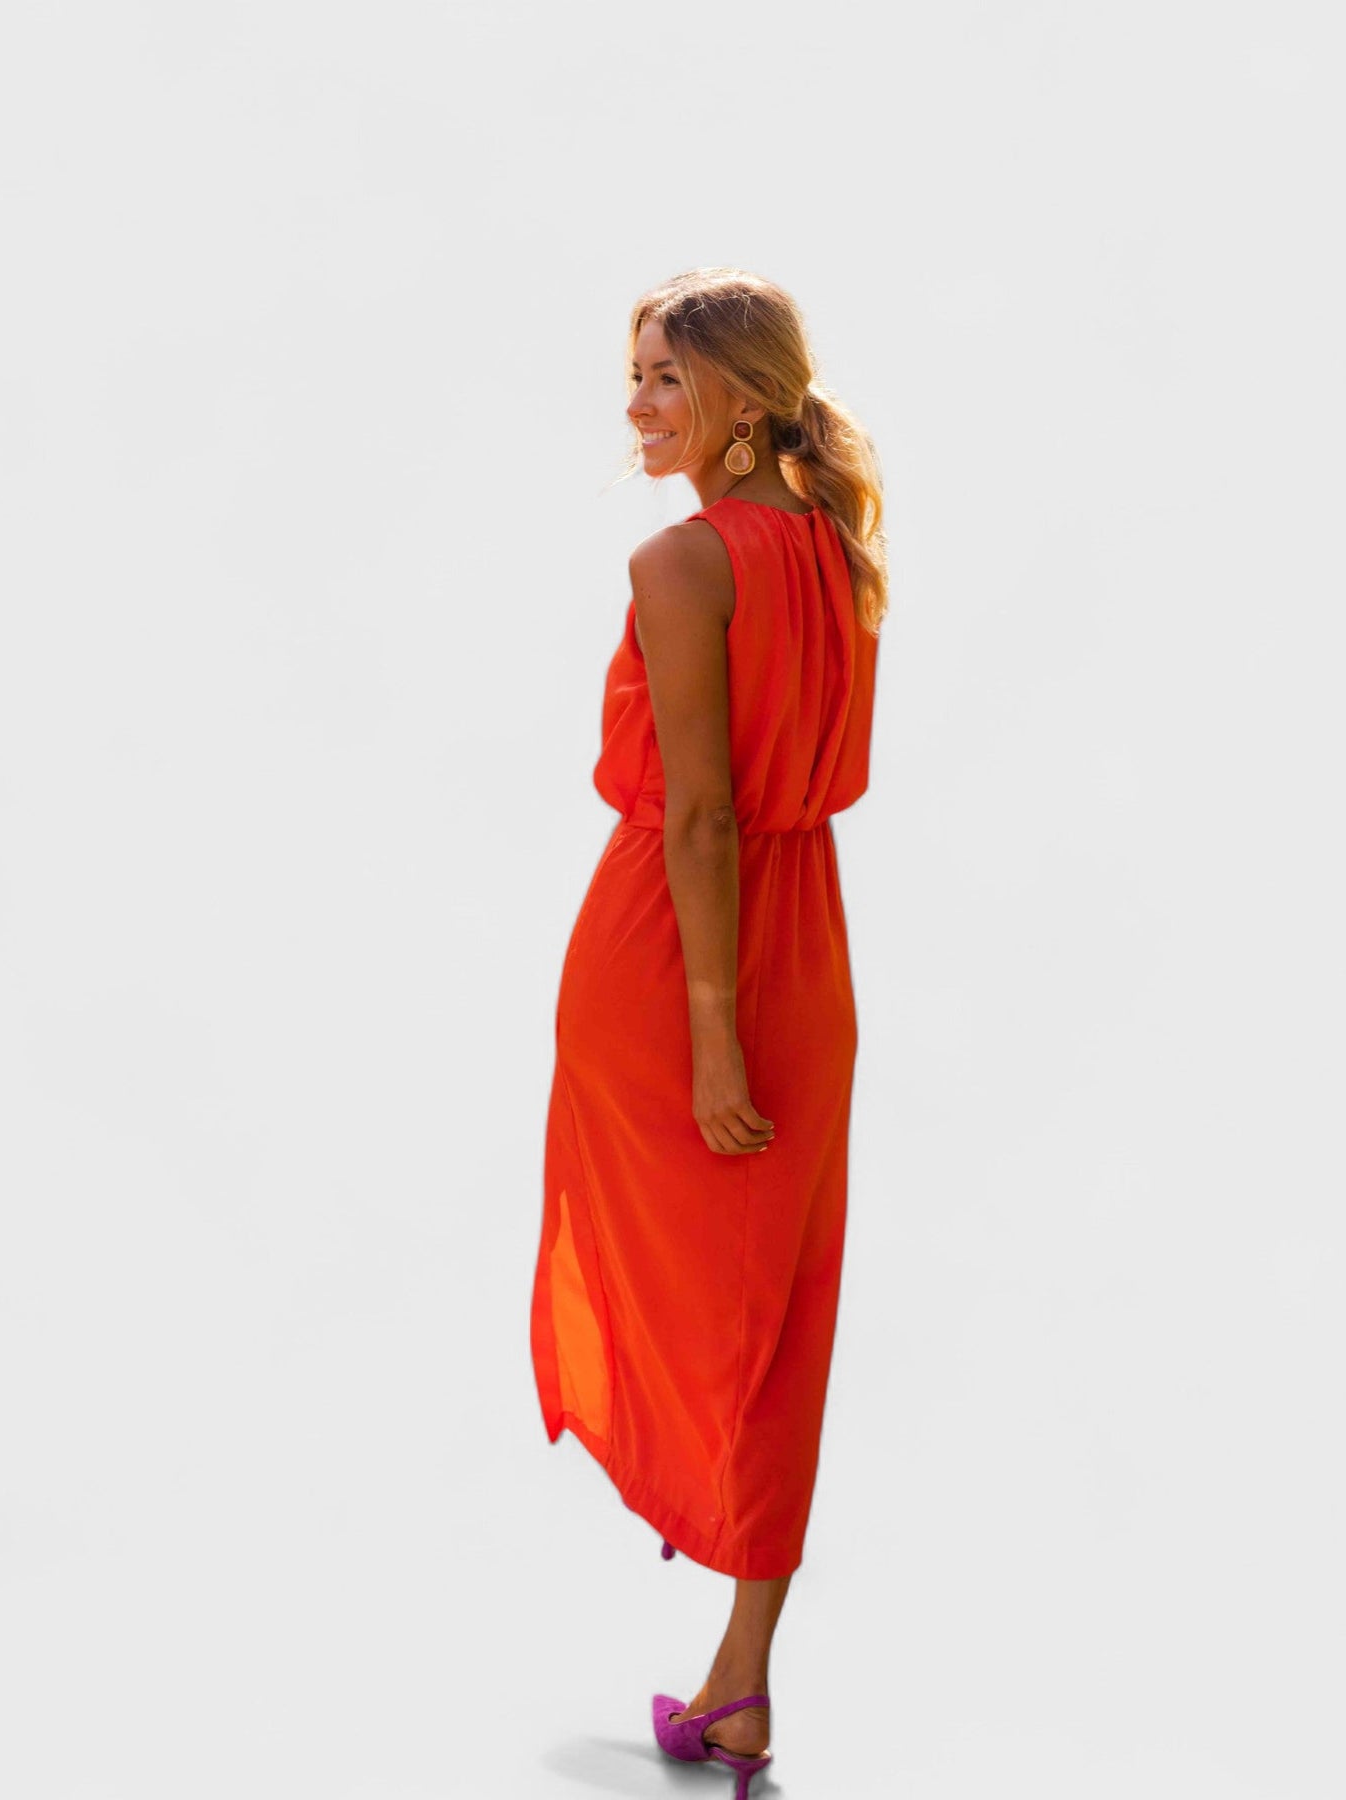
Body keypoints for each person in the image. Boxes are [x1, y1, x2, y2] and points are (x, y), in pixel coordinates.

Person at [529, 266, 886, 1794]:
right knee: (776, 1306)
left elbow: (703, 819)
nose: (638, 407)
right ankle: (742, 1676)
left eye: (666, 377)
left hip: (688, 958)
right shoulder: (837, 544)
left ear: (744, 397)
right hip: (806, 950)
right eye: (635, 376)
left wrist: (713, 1032)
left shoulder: (684, 562)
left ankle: (735, 1653)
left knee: (706, 1290)